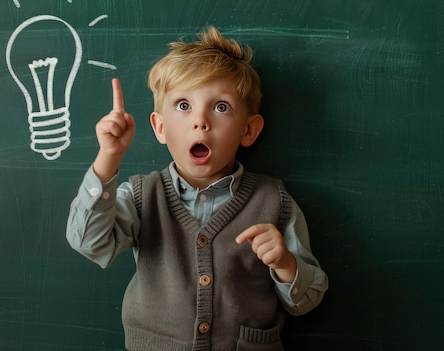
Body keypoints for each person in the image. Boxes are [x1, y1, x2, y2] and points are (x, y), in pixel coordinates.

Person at [66, 26, 328, 351]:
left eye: (220, 107)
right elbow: (88, 242)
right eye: (183, 105)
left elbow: (307, 301)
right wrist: (109, 157)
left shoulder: (275, 202)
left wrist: (286, 264)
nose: (200, 121)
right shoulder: (140, 197)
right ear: (160, 128)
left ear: (249, 130)